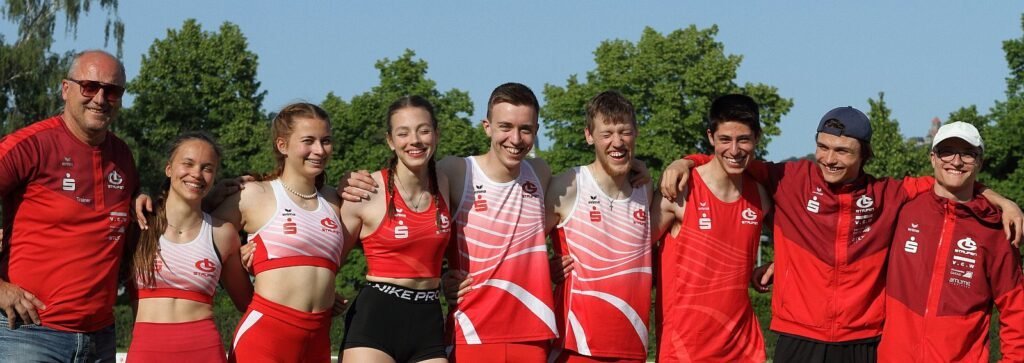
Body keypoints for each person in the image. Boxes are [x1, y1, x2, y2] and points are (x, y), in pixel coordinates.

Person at [661, 106, 1023, 362]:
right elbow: (731, 156)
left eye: (842, 151)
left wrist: (997, 197)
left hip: (862, 341)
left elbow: (950, 183)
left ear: (863, 154)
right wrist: (687, 160)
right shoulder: (789, 178)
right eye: (823, 147)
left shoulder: (889, 195)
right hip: (798, 337)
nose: (829, 158)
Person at [344, 83, 557, 362]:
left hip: (530, 328)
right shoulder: (455, 172)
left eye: (525, 129)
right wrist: (346, 181)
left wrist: (633, 169)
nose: (515, 138)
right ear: (486, 126)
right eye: (505, 126)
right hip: (469, 329)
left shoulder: (540, 172)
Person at [0, 50, 137, 362]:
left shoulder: (123, 157)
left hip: (100, 340)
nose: (101, 99)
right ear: (66, 89)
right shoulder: (31, 145)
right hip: (29, 334)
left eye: (112, 91)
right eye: (89, 86)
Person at [878, 122, 1024, 362]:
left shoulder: (995, 228)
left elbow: (1015, 308)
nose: (956, 161)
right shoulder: (903, 209)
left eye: (967, 154)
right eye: (947, 152)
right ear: (932, 158)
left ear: (980, 162)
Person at [214, 102, 347, 362]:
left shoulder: (335, 200)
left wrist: (327, 293)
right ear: (282, 145)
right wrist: (236, 260)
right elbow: (201, 234)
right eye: (308, 141)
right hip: (266, 337)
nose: (319, 150)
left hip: (319, 338)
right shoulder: (255, 194)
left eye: (326, 140)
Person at [651, 94, 770, 362]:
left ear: (757, 138)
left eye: (744, 139)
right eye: (725, 139)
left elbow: (800, 236)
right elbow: (631, 251)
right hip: (684, 351)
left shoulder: (761, 197)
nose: (735, 150)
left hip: (744, 351)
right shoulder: (680, 191)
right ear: (710, 137)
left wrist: (778, 263)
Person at [339, 96, 450, 363]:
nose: (415, 140)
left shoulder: (447, 181)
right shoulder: (367, 190)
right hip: (375, 321)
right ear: (391, 141)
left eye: (424, 130)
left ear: (436, 134)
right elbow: (327, 256)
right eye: (403, 133)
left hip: (429, 320)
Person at [546, 90, 653, 362]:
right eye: (606, 134)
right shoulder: (569, 185)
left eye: (624, 132)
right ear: (589, 135)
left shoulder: (646, 189)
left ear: (636, 133)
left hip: (633, 346)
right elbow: (521, 245)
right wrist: (544, 267)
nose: (617, 142)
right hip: (577, 347)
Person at [126, 132, 253, 362]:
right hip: (146, 353)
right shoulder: (139, 224)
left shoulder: (223, 234)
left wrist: (260, 265)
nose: (196, 173)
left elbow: (249, 304)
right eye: (188, 163)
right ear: (169, 169)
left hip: (204, 351)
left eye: (207, 168)